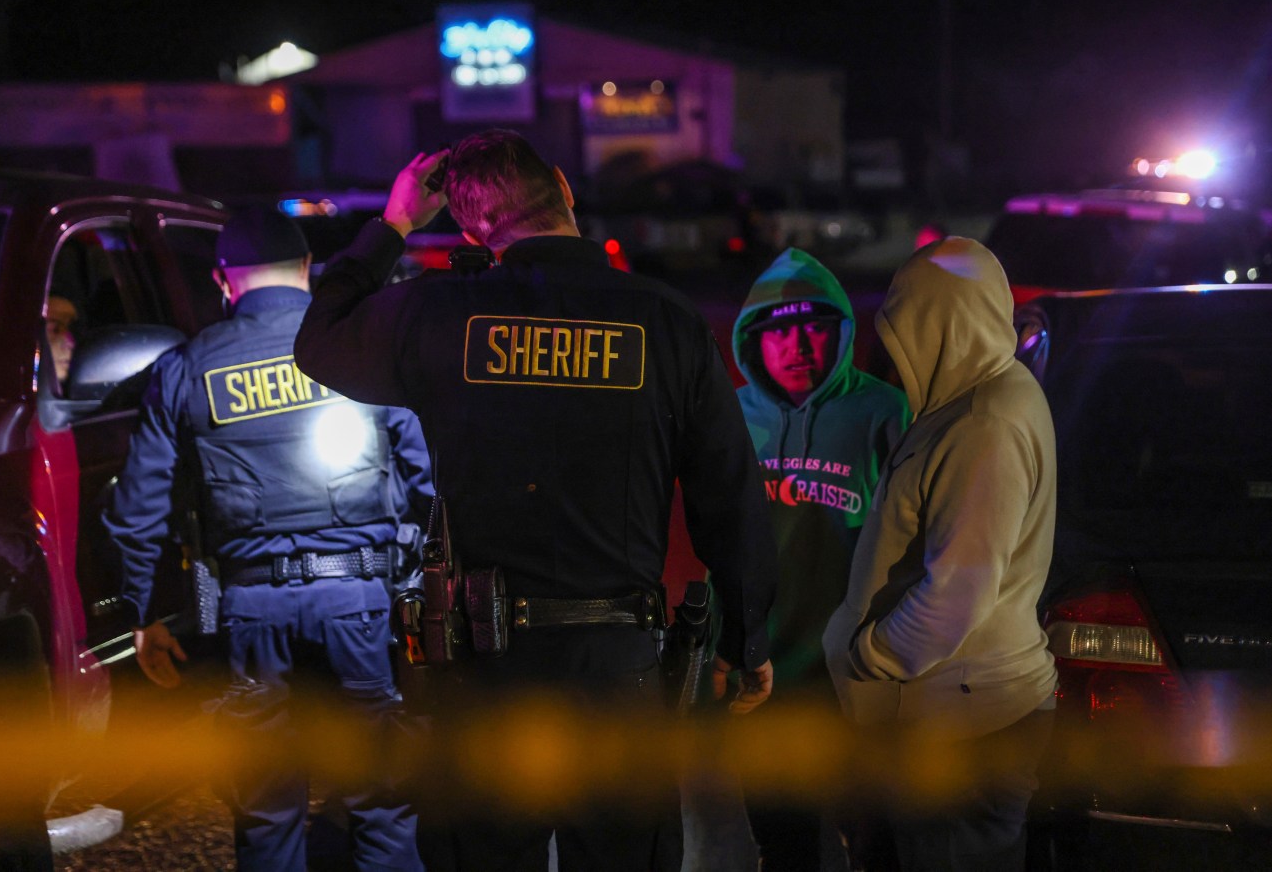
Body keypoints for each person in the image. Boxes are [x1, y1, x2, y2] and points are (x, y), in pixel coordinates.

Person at [294, 130, 779, 872]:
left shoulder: (440, 314)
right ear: (562, 184)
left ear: (468, 229)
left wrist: (391, 225)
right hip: (619, 666)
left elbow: (320, 339)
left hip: (488, 671)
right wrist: (746, 641)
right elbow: (728, 494)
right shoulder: (664, 320)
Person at [103, 206, 433, 872]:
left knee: (268, 803)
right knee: (382, 794)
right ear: (307, 270)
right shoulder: (356, 347)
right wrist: (420, 580)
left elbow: (139, 507)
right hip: (360, 604)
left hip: (253, 612)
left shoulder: (186, 368)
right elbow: (427, 475)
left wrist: (143, 616)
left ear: (225, 282)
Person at [823, 236, 1058, 871]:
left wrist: (866, 655)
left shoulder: (984, 425)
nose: (898, 359)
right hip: (951, 719)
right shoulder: (967, 404)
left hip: (965, 730)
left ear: (944, 329)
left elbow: (957, 594)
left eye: (910, 334)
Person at [730, 248, 909, 870]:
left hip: (857, 671)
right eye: (778, 329)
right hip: (765, 671)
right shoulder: (730, 417)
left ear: (841, 331)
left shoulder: (884, 411)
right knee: (782, 843)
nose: (797, 344)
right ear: (754, 340)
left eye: (814, 325)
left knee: (876, 840)